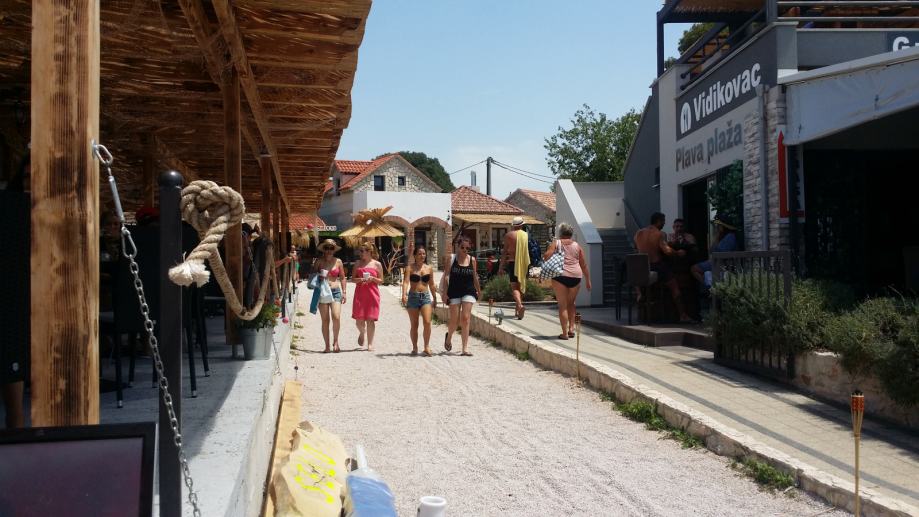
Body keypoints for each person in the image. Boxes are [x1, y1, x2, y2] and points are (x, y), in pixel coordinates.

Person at [634, 212, 691, 323]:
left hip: (641, 270)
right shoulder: (660, 234)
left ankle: (640, 296)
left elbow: (637, 249)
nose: (664, 224)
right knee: (674, 287)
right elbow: (667, 251)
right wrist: (678, 253)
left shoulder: (638, 233)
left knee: (641, 282)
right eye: (663, 221)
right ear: (659, 221)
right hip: (656, 267)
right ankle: (683, 315)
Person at [544, 223, 591, 339]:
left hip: (560, 275)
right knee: (571, 303)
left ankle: (564, 334)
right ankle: (571, 329)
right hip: (575, 276)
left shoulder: (556, 243)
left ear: (560, 233)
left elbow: (546, 256)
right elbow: (583, 264)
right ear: (571, 233)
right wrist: (588, 280)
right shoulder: (577, 245)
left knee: (563, 305)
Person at [442, 235, 481, 356]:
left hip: (468, 290)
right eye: (462, 247)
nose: (465, 250)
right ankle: (449, 337)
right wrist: (444, 293)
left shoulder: (472, 260)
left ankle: (465, 349)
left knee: (465, 318)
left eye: (467, 248)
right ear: (458, 247)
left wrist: (479, 291)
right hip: (454, 290)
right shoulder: (451, 258)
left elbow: (474, 276)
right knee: (454, 321)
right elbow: (446, 276)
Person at [401, 246, 436, 356]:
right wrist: (404, 294)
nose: (422, 256)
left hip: (425, 297)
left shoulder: (429, 268)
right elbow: (406, 282)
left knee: (427, 322)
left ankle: (426, 347)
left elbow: (431, 284)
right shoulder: (409, 268)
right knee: (414, 325)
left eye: (424, 253)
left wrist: (435, 297)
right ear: (415, 255)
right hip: (413, 297)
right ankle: (415, 347)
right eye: (420, 254)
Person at [314, 239, 347, 353]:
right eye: (326, 248)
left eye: (331, 248)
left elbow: (342, 277)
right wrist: (319, 276)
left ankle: (336, 341)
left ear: (334, 250)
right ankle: (327, 346)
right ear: (323, 249)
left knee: (336, 316)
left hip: (335, 291)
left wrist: (344, 292)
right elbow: (312, 276)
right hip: (322, 291)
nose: (329, 250)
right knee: (325, 320)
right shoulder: (319, 261)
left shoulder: (338, 261)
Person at [692, 214, 740, 288]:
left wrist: (717, 238)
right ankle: (709, 287)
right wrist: (717, 237)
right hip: (717, 262)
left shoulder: (730, 237)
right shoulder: (722, 236)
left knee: (694, 269)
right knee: (695, 269)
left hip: (723, 264)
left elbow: (720, 252)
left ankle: (708, 288)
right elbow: (711, 250)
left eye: (719, 225)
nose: (717, 227)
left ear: (723, 226)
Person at [351, 242, 383, 351]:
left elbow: (381, 281)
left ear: (369, 251)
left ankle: (370, 344)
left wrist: (373, 279)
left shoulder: (377, 264)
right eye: (359, 251)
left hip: (372, 295)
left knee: (370, 320)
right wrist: (360, 279)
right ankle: (362, 332)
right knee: (358, 320)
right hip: (360, 294)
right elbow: (352, 279)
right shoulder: (357, 263)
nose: (360, 253)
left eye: (362, 251)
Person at [498, 216, 531, 320]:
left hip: (512, 263)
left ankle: (519, 306)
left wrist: (500, 267)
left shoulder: (509, 235)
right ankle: (517, 311)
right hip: (524, 264)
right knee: (521, 287)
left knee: (514, 287)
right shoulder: (525, 235)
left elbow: (504, 253)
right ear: (522, 225)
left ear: (513, 225)